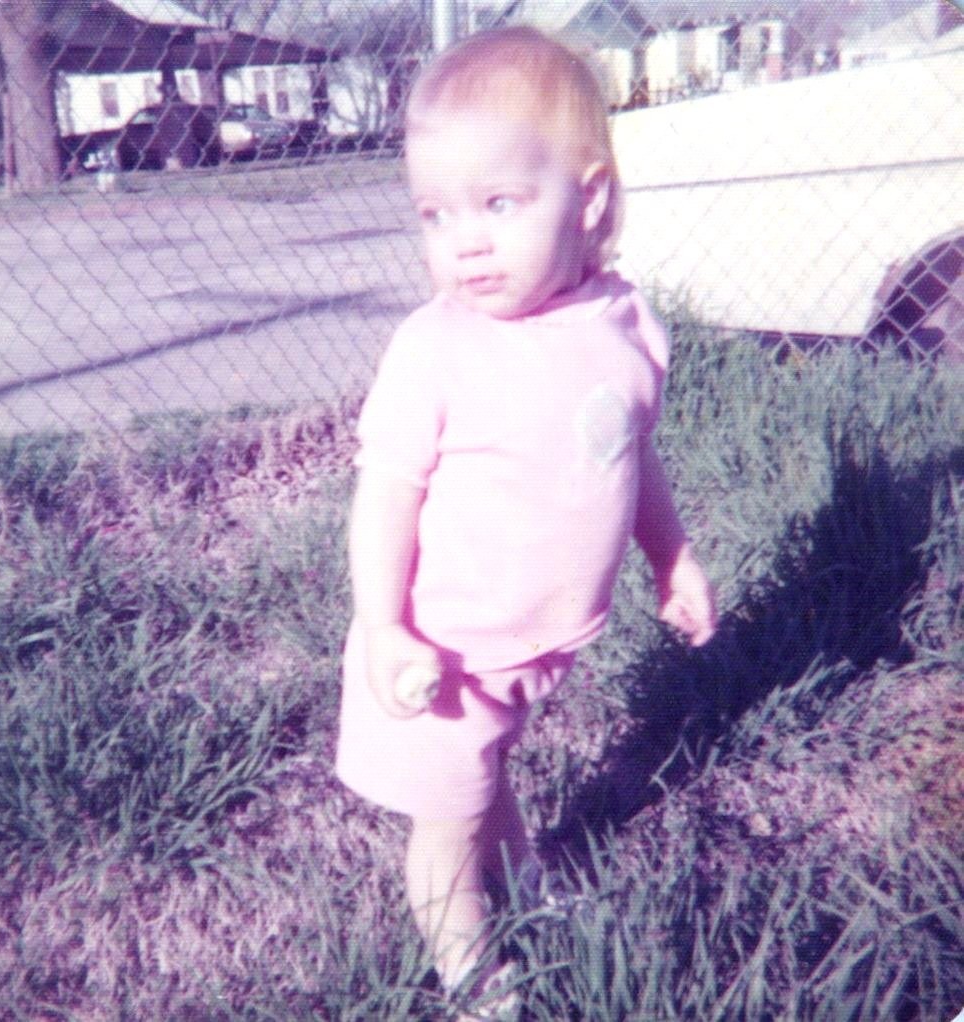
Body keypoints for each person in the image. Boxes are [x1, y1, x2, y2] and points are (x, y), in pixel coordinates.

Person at [335, 24, 717, 1014]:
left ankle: (520, 878)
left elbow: (628, 452)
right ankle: (471, 972)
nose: (463, 239)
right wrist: (384, 627)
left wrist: (669, 553)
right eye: (435, 213)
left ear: (585, 199)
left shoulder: (620, 326)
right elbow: (386, 493)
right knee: (447, 819)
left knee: (489, 770)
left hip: (530, 644)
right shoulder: (436, 350)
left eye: (498, 203)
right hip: (440, 654)